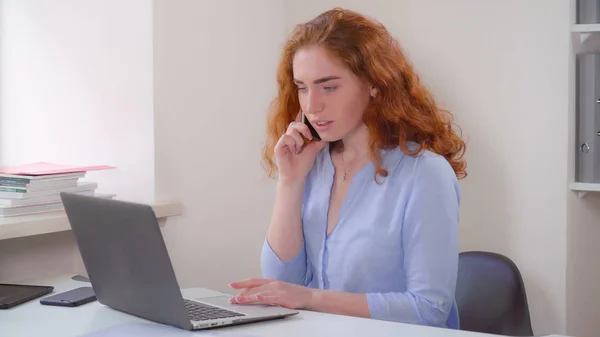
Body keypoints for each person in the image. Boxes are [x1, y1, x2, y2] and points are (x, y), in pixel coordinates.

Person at [228, 7, 467, 329]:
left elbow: (428, 309)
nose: (312, 106)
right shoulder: (312, 165)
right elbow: (280, 283)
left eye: (329, 87)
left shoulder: (425, 174)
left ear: (373, 84)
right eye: (302, 87)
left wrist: (311, 298)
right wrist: (290, 181)